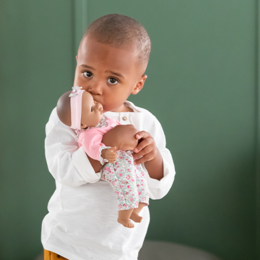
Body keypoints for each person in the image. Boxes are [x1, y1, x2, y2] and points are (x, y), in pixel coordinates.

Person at [41, 14, 176, 260]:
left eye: (112, 79)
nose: (96, 87)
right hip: (68, 244)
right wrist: (107, 144)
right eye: (87, 73)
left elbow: (159, 188)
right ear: (77, 63)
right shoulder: (68, 115)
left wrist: (153, 156)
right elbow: (63, 170)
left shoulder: (145, 122)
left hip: (119, 251)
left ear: (137, 84)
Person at [56, 87, 149, 228]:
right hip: (113, 165)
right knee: (126, 185)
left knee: (141, 181)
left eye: (94, 102)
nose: (98, 106)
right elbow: (92, 149)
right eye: (92, 109)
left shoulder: (106, 120)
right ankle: (123, 217)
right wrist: (103, 153)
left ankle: (136, 210)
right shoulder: (88, 134)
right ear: (82, 124)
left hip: (126, 159)